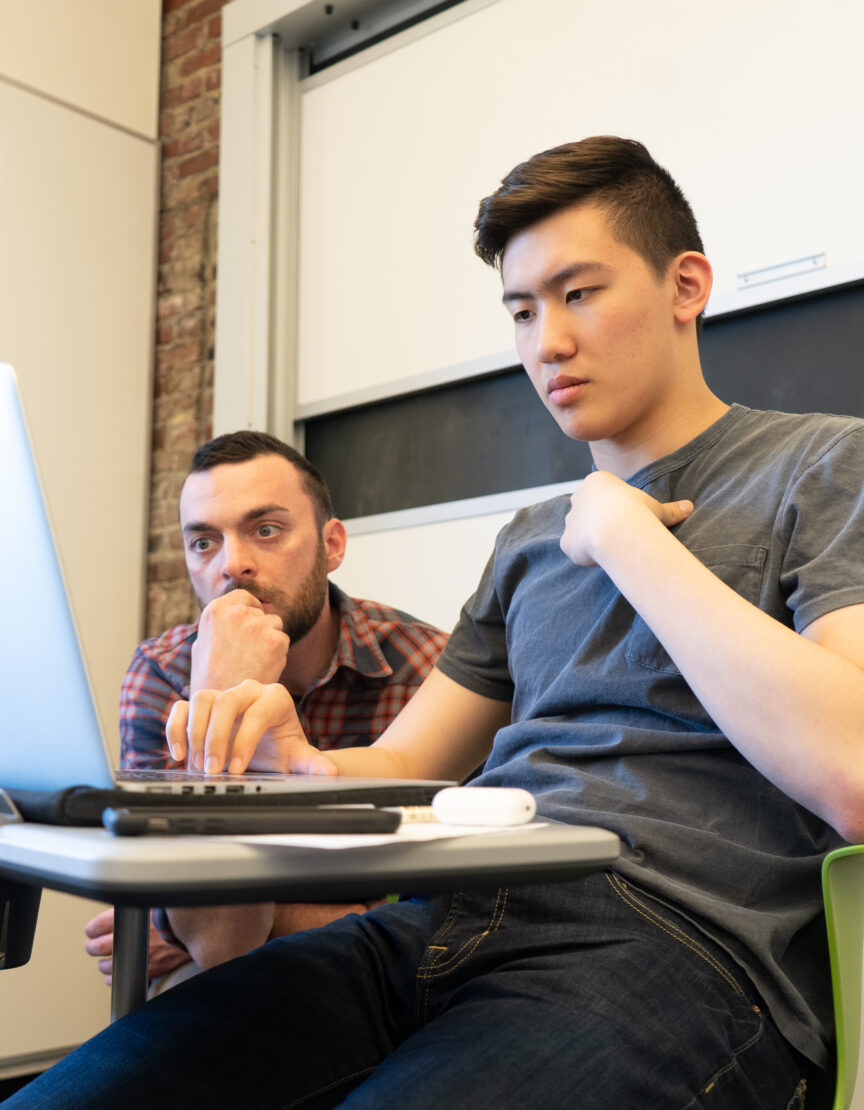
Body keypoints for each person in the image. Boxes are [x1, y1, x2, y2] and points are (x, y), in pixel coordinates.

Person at [11, 135, 864, 1109]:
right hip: (441, 925)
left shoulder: (824, 467)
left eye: (579, 293)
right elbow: (407, 762)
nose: (547, 341)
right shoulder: (529, 541)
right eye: (521, 309)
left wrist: (631, 541)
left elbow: (854, 770)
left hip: (677, 948)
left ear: (686, 285)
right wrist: (300, 760)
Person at [83, 431, 448, 988]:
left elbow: (439, 922)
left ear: (332, 546)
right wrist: (222, 686)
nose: (233, 565)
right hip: (222, 972)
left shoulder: (424, 665)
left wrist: (186, 922)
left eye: (266, 530)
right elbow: (219, 943)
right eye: (204, 542)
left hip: (394, 970)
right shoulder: (160, 669)